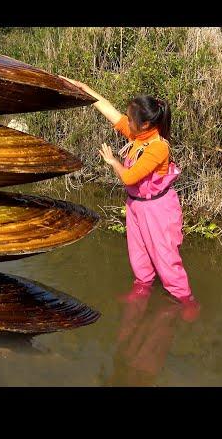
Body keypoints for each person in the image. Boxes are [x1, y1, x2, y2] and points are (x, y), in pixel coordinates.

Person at [61, 76, 195, 304]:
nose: (127, 122)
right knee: (138, 252)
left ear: (145, 125)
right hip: (136, 205)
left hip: (157, 209)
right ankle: (143, 287)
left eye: (131, 119)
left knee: (165, 257)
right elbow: (109, 111)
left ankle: (185, 299)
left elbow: (130, 177)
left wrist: (113, 161)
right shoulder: (138, 135)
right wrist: (84, 89)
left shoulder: (158, 147)